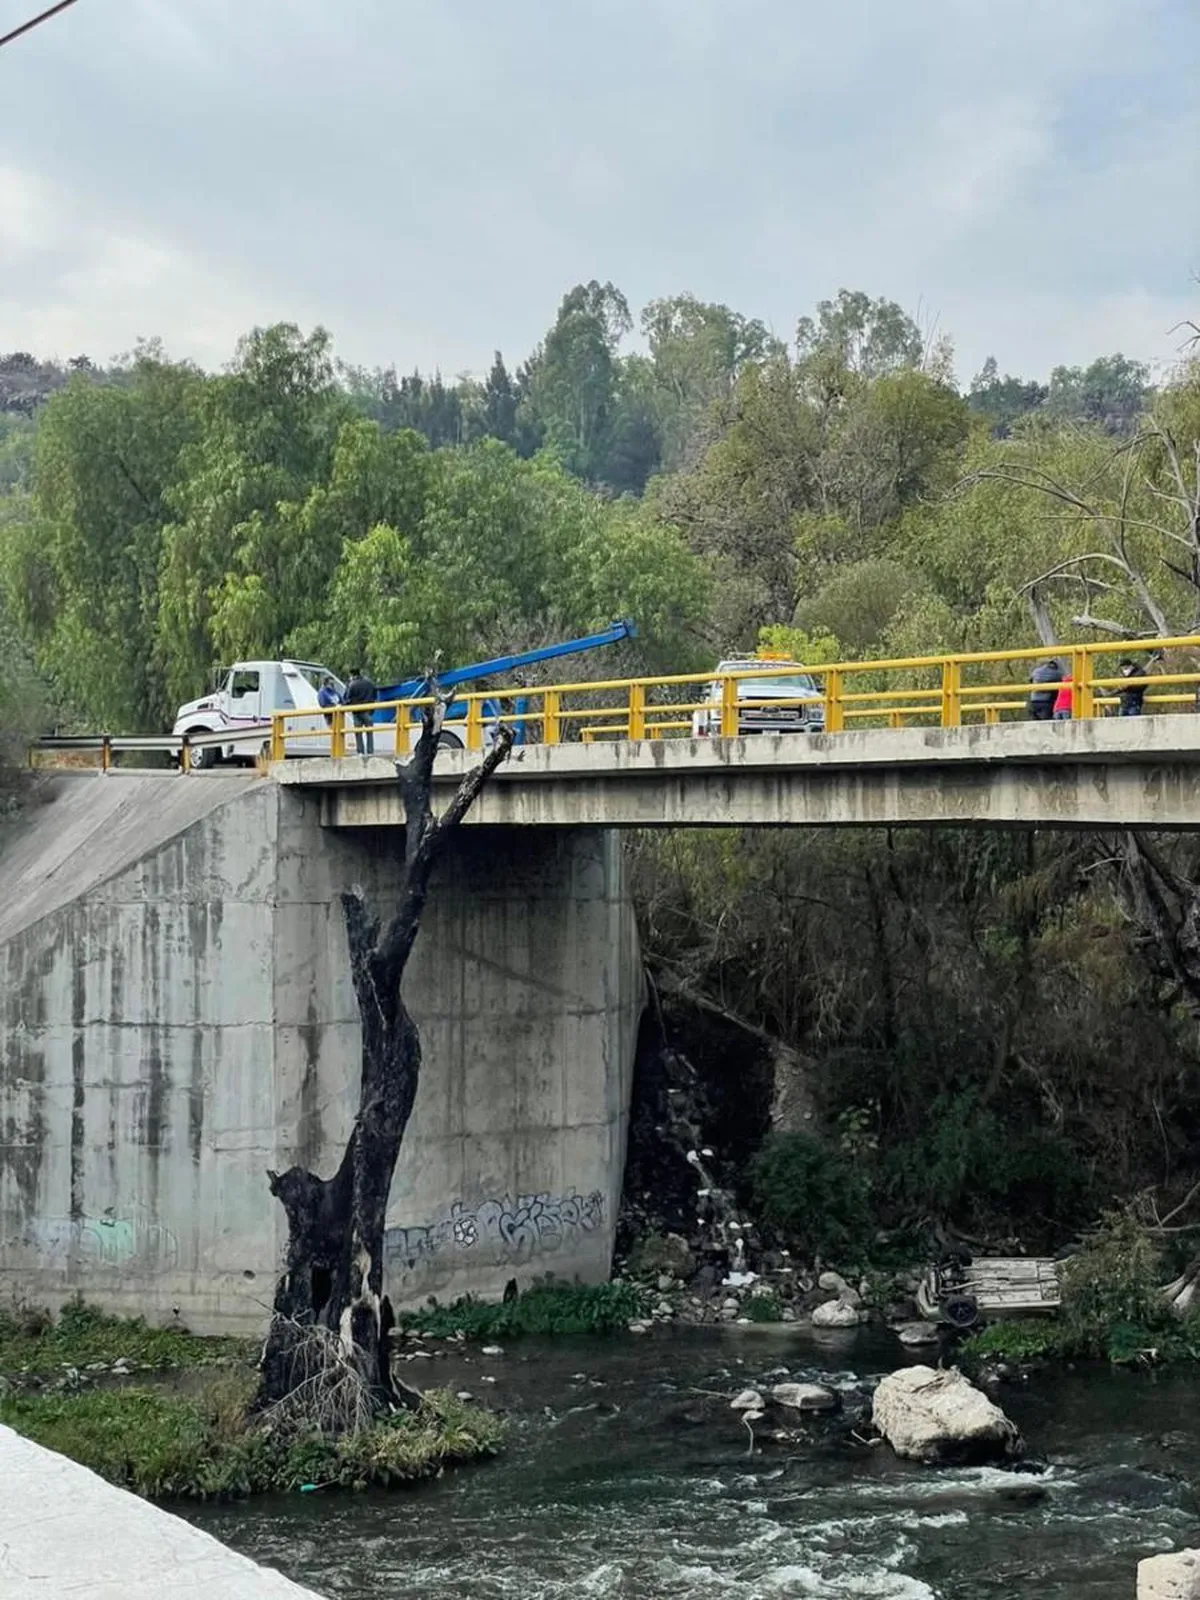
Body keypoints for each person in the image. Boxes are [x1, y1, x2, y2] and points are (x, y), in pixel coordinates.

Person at [343, 666, 377, 755]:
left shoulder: (352, 685)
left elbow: (347, 698)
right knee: (369, 732)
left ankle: (360, 752)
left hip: (357, 712)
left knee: (358, 733)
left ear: (352, 675)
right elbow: (374, 694)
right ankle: (370, 752)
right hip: (368, 711)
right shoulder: (369, 683)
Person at [1117, 652, 1162, 717]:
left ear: (1130, 666)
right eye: (1122, 668)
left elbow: (1145, 672)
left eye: (1125, 668)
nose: (1123, 670)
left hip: (1133, 704)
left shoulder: (1138, 673)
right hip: (1123, 705)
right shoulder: (1124, 676)